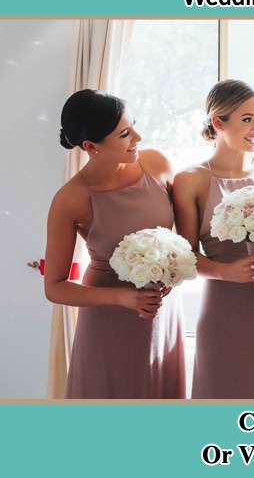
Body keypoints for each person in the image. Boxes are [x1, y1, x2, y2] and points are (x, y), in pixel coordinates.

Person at [45, 89, 184, 398]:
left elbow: (186, 239)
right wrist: (123, 298)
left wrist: (174, 273)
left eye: (133, 125)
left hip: (162, 310)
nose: (138, 136)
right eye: (125, 133)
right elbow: (54, 287)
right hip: (108, 319)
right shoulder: (71, 199)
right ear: (91, 146)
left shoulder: (157, 165)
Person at [173, 79, 254, 398]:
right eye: (247, 119)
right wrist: (225, 271)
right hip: (222, 306)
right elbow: (185, 255)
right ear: (218, 122)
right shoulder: (190, 180)